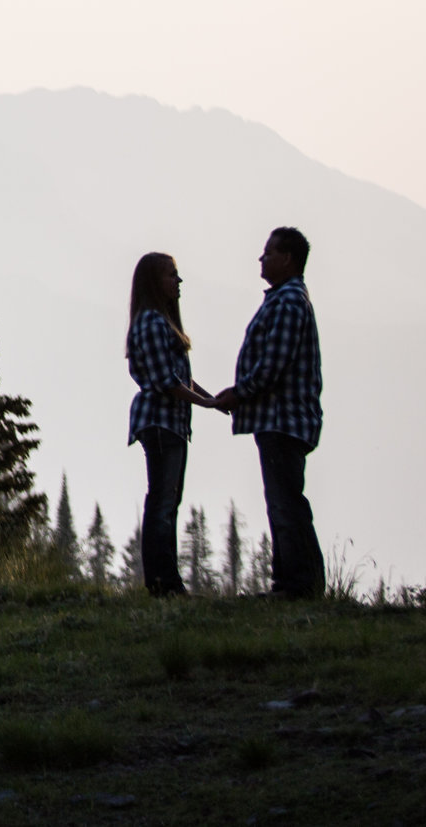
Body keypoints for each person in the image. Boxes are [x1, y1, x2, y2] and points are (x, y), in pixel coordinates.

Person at [212, 227, 323, 598]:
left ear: (287, 258)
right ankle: (293, 581)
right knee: (285, 499)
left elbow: (273, 365)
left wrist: (239, 394)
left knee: (285, 501)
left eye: (268, 253)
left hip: (283, 420)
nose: (261, 259)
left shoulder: (288, 302)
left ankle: (297, 585)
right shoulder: (286, 299)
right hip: (281, 420)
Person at [126, 252, 217, 595]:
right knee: (163, 502)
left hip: (172, 423)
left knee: (167, 501)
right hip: (162, 422)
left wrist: (211, 400)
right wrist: (207, 403)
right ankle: (163, 582)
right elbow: (167, 381)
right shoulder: (152, 323)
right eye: (171, 275)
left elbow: (180, 379)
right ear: (154, 281)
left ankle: (165, 580)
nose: (177, 282)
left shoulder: (159, 321)